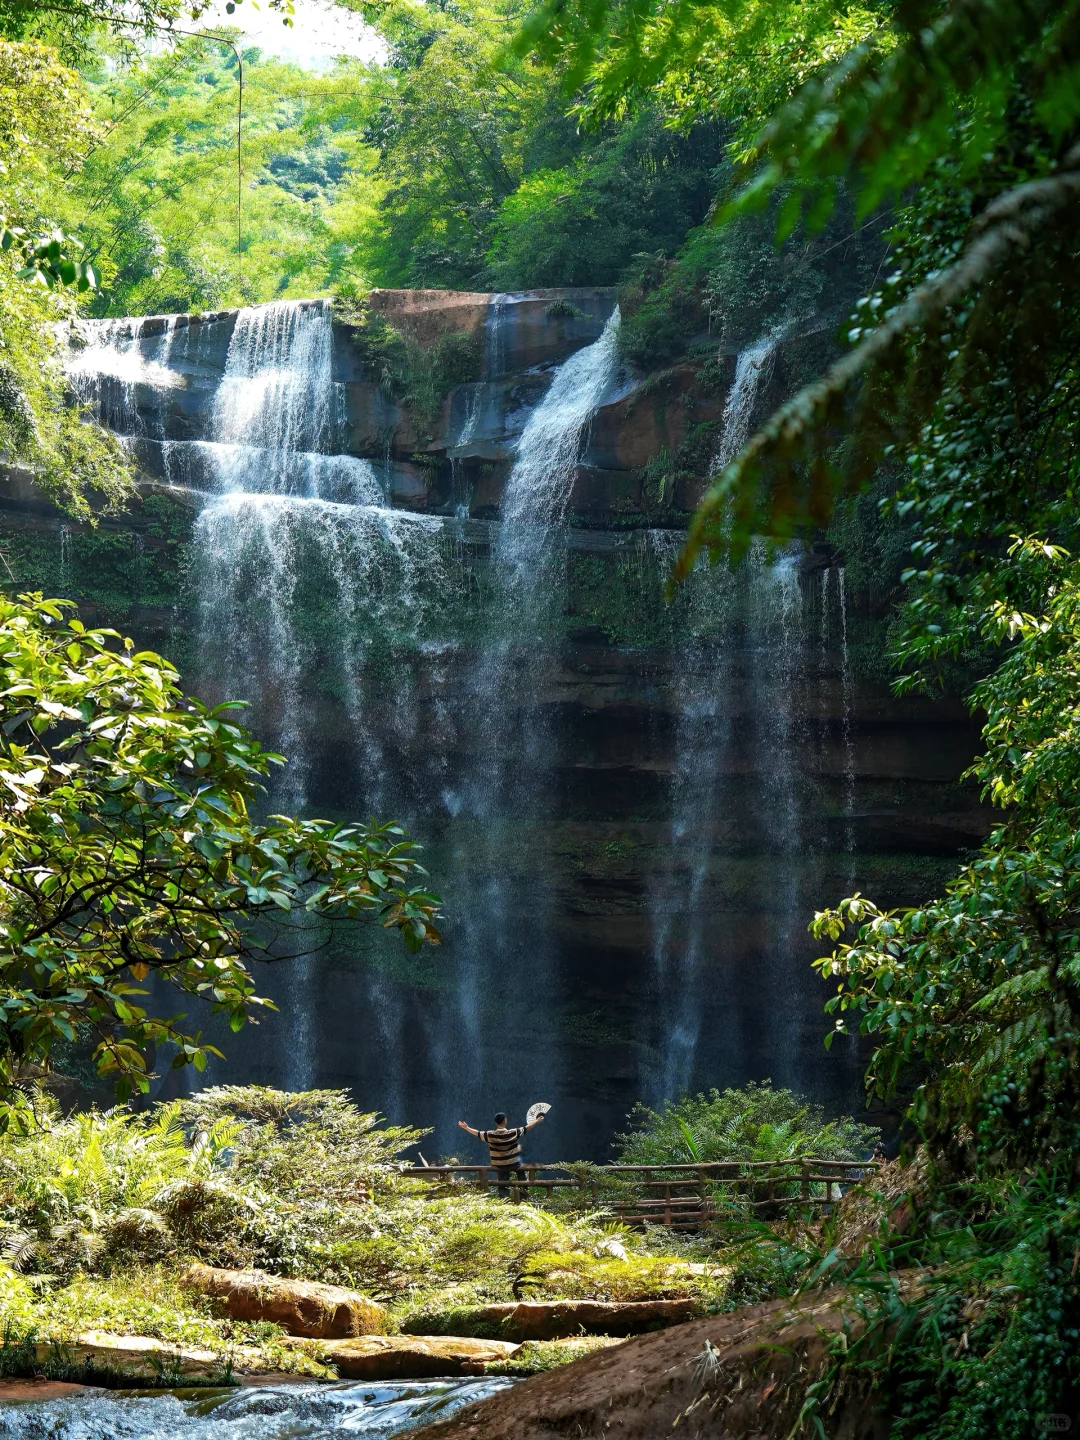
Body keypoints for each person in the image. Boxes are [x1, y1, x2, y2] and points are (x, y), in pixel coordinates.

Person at [458, 1109, 546, 1197]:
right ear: (505, 1120)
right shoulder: (513, 1133)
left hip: (499, 1164)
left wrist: (466, 1127)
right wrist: (536, 1120)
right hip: (513, 1163)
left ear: (496, 1122)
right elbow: (526, 1128)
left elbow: (477, 1133)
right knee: (521, 1175)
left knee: (502, 1183)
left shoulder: (490, 1135)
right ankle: (523, 1196)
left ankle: (504, 1199)